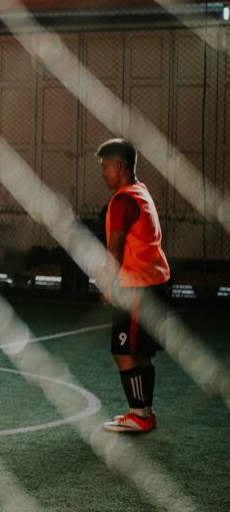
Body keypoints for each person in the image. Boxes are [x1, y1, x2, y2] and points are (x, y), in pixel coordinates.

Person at [96, 138, 170, 433]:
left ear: (119, 166)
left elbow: (115, 247)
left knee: (123, 350)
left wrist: (107, 283)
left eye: (104, 168)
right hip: (151, 281)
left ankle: (140, 416)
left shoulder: (123, 199)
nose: (103, 174)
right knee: (139, 351)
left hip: (137, 286)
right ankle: (143, 413)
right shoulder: (142, 192)